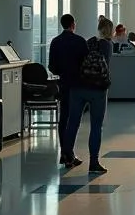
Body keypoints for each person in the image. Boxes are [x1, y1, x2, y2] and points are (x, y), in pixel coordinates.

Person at [64, 16, 114, 173]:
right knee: (96, 126)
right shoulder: (108, 45)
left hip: (78, 86)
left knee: (72, 122)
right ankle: (93, 163)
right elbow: (105, 65)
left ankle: (68, 157)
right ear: (111, 31)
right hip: (98, 89)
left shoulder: (88, 42)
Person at [48, 13, 88, 168]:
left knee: (63, 118)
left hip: (63, 83)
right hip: (78, 84)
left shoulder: (55, 42)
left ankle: (65, 153)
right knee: (74, 120)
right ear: (73, 24)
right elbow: (86, 63)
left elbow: (52, 66)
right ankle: (69, 153)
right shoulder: (80, 41)